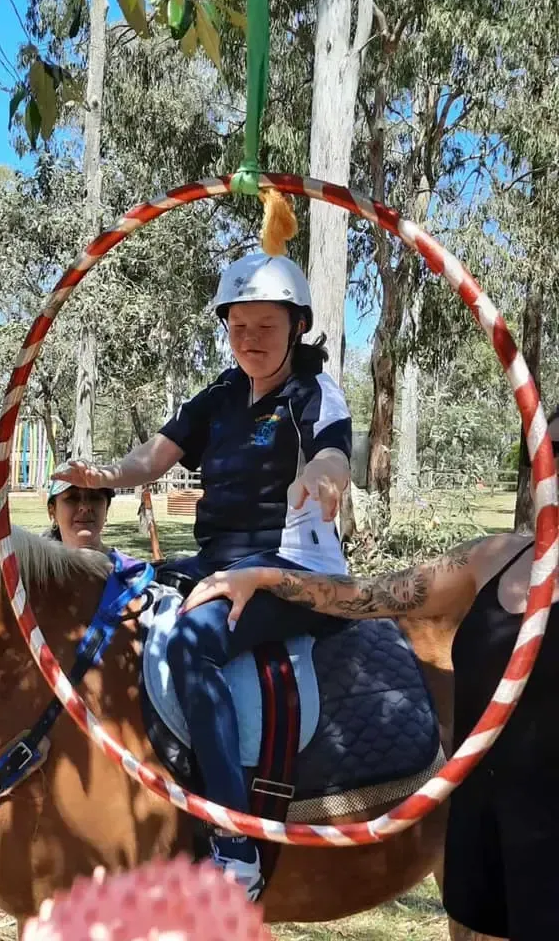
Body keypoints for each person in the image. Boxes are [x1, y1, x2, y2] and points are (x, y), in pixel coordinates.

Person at [180, 403, 559, 941]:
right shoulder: (493, 558)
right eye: (550, 452)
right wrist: (263, 577)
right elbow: (370, 596)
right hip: (482, 824)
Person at [51, 252, 353, 896]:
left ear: (297, 324)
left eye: (265, 327)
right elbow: (151, 459)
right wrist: (102, 475)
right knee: (119, 592)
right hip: (220, 562)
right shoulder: (217, 394)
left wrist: (323, 477)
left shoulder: (311, 389)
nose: (249, 341)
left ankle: (235, 844)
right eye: (237, 326)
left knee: (193, 645)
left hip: (292, 572)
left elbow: (331, 452)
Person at [46, 461, 115, 552]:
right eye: (73, 498)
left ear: (106, 508)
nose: (85, 507)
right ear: (52, 511)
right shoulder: (37, 565)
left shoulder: (131, 566)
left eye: (95, 497)